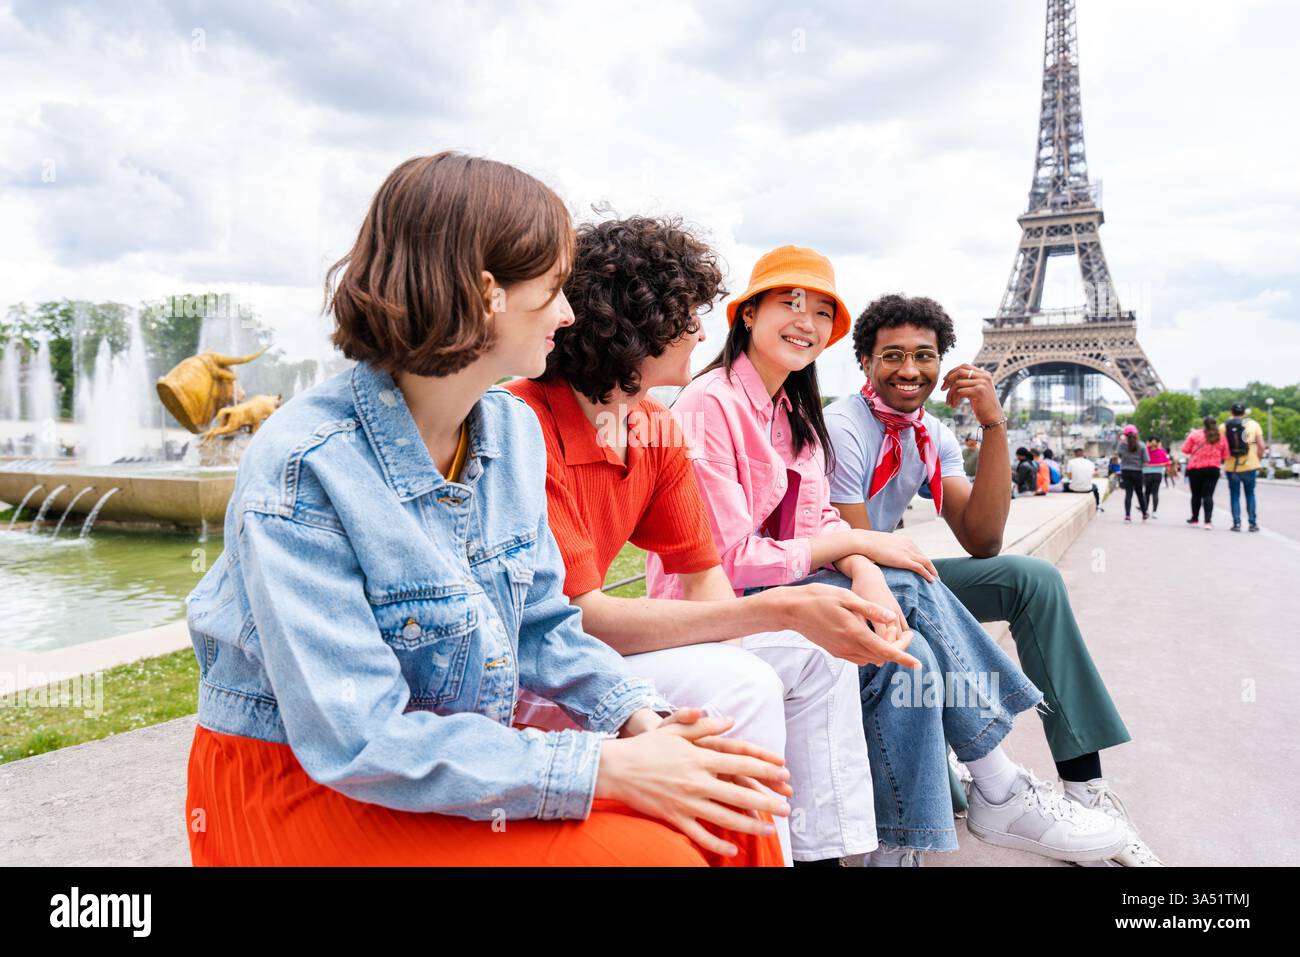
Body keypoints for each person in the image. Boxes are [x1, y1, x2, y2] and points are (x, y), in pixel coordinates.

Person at [181, 153, 788, 867]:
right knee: (659, 857)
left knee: (734, 805)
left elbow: (540, 624)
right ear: (485, 291)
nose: (568, 312)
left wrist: (641, 721)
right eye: (555, 286)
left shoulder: (509, 432)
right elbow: (358, 739)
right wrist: (605, 767)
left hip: (452, 756)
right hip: (307, 785)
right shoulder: (306, 466)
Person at [650, 247, 1130, 866]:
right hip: (717, 605)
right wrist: (859, 547)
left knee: (913, 646)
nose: (807, 320)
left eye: (822, 311)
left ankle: (902, 848)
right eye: (790, 303)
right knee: (904, 599)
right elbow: (730, 558)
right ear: (746, 315)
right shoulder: (712, 403)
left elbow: (841, 523)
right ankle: (1000, 784)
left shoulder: (793, 408)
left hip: (791, 587)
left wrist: (864, 561)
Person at [508, 216, 906, 866]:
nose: (700, 329)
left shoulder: (653, 425)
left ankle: (819, 855)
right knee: (743, 682)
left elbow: (706, 578)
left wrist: (776, 624)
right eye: (685, 312)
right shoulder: (527, 421)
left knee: (815, 657)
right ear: (634, 321)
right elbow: (581, 620)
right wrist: (777, 611)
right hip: (540, 671)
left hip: (599, 649)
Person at [825, 293, 1161, 867]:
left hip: (890, 575)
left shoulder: (931, 433)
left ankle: (1086, 792)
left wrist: (993, 422)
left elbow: (982, 540)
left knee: (1033, 580)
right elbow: (862, 554)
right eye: (893, 356)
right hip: (837, 577)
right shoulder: (844, 425)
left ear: (943, 363)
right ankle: (994, 785)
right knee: (908, 594)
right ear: (865, 363)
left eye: (925, 356)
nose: (910, 370)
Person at [1223, 402, 1266, 532]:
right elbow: (1262, 446)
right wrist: (1257, 460)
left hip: (1232, 466)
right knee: (1250, 495)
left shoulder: (1224, 426)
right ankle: (1252, 523)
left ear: (1231, 412)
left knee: (1234, 495)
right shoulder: (1254, 425)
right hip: (1250, 465)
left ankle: (1236, 524)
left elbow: (1221, 446)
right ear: (1244, 412)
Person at [1182, 416, 1227, 529]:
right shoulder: (1220, 437)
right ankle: (1208, 522)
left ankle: (1195, 519)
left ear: (1203, 424)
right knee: (1208, 495)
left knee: (1196, 495)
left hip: (1196, 468)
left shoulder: (1195, 434)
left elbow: (1185, 450)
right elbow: (1226, 454)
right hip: (1213, 469)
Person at [1115, 425, 1149, 522]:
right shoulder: (1142, 445)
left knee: (1128, 494)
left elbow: (1119, 455)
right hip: (1138, 471)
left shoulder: (1122, 445)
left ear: (1125, 434)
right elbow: (1146, 460)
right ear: (1136, 433)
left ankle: (1127, 516)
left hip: (1125, 471)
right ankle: (1144, 513)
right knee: (1139, 494)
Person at [1063, 446, 1101, 511]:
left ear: (1075, 454)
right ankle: (1097, 505)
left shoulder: (1071, 462)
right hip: (1088, 488)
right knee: (1095, 487)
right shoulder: (1090, 463)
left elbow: (1069, 477)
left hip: (1074, 488)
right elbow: (1094, 475)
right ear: (1083, 454)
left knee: (1064, 485)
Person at [1143, 438, 1169, 518]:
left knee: (1147, 492)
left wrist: (1149, 465)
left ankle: (1145, 510)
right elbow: (1167, 463)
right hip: (1157, 474)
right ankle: (1154, 512)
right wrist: (1159, 465)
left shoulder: (1145, 450)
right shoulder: (1161, 451)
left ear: (1148, 442)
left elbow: (1141, 461)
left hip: (1146, 474)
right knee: (1155, 492)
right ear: (1158, 443)